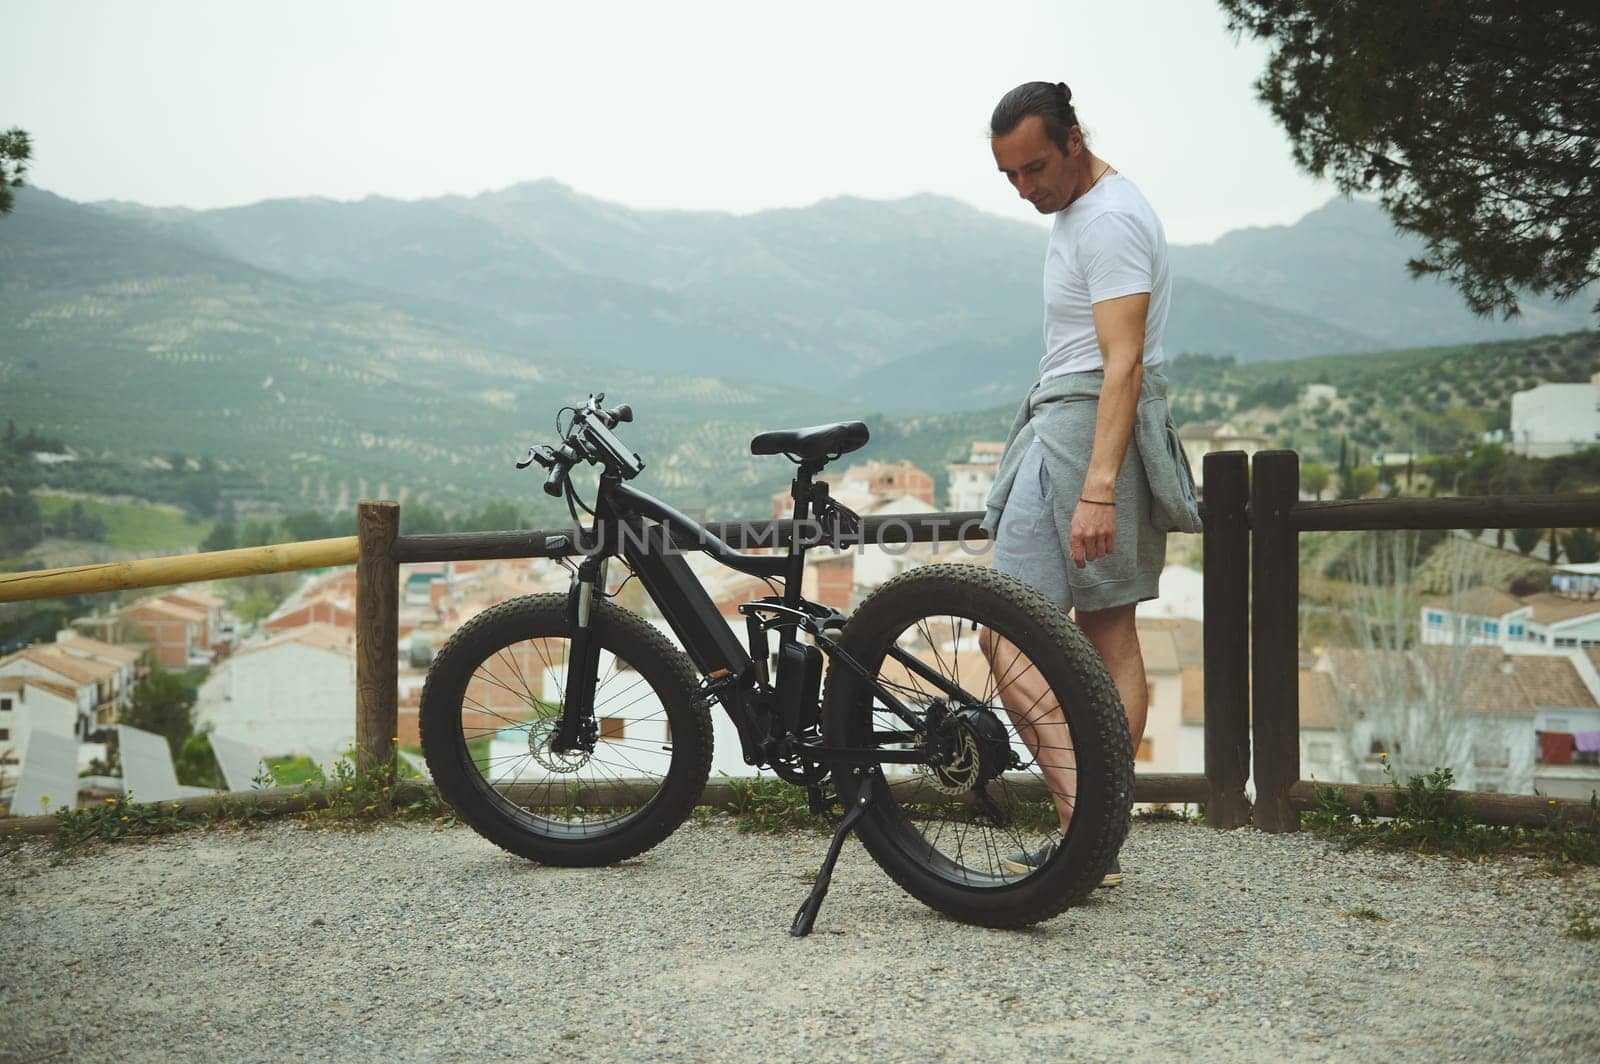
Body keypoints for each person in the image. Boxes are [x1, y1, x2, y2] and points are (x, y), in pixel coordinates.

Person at [978, 81, 1202, 884]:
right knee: (1101, 633)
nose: (1026, 188)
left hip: (1084, 433)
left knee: (1011, 628)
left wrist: (1099, 486)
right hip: (1069, 424)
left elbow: (1124, 363)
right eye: (1010, 175)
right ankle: (1093, 838)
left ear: (1075, 138)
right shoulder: (1085, 210)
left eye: (1036, 167)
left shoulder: (1106, 219)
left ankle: (1085, 838)